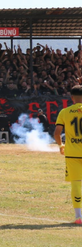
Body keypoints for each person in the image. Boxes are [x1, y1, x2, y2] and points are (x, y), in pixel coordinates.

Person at [54, 85, 82, 224]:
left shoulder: (64, 112)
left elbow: (57, 133)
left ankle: (79, 217)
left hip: (73, 154)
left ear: (71, 98)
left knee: (76, 185)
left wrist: (61, 146)